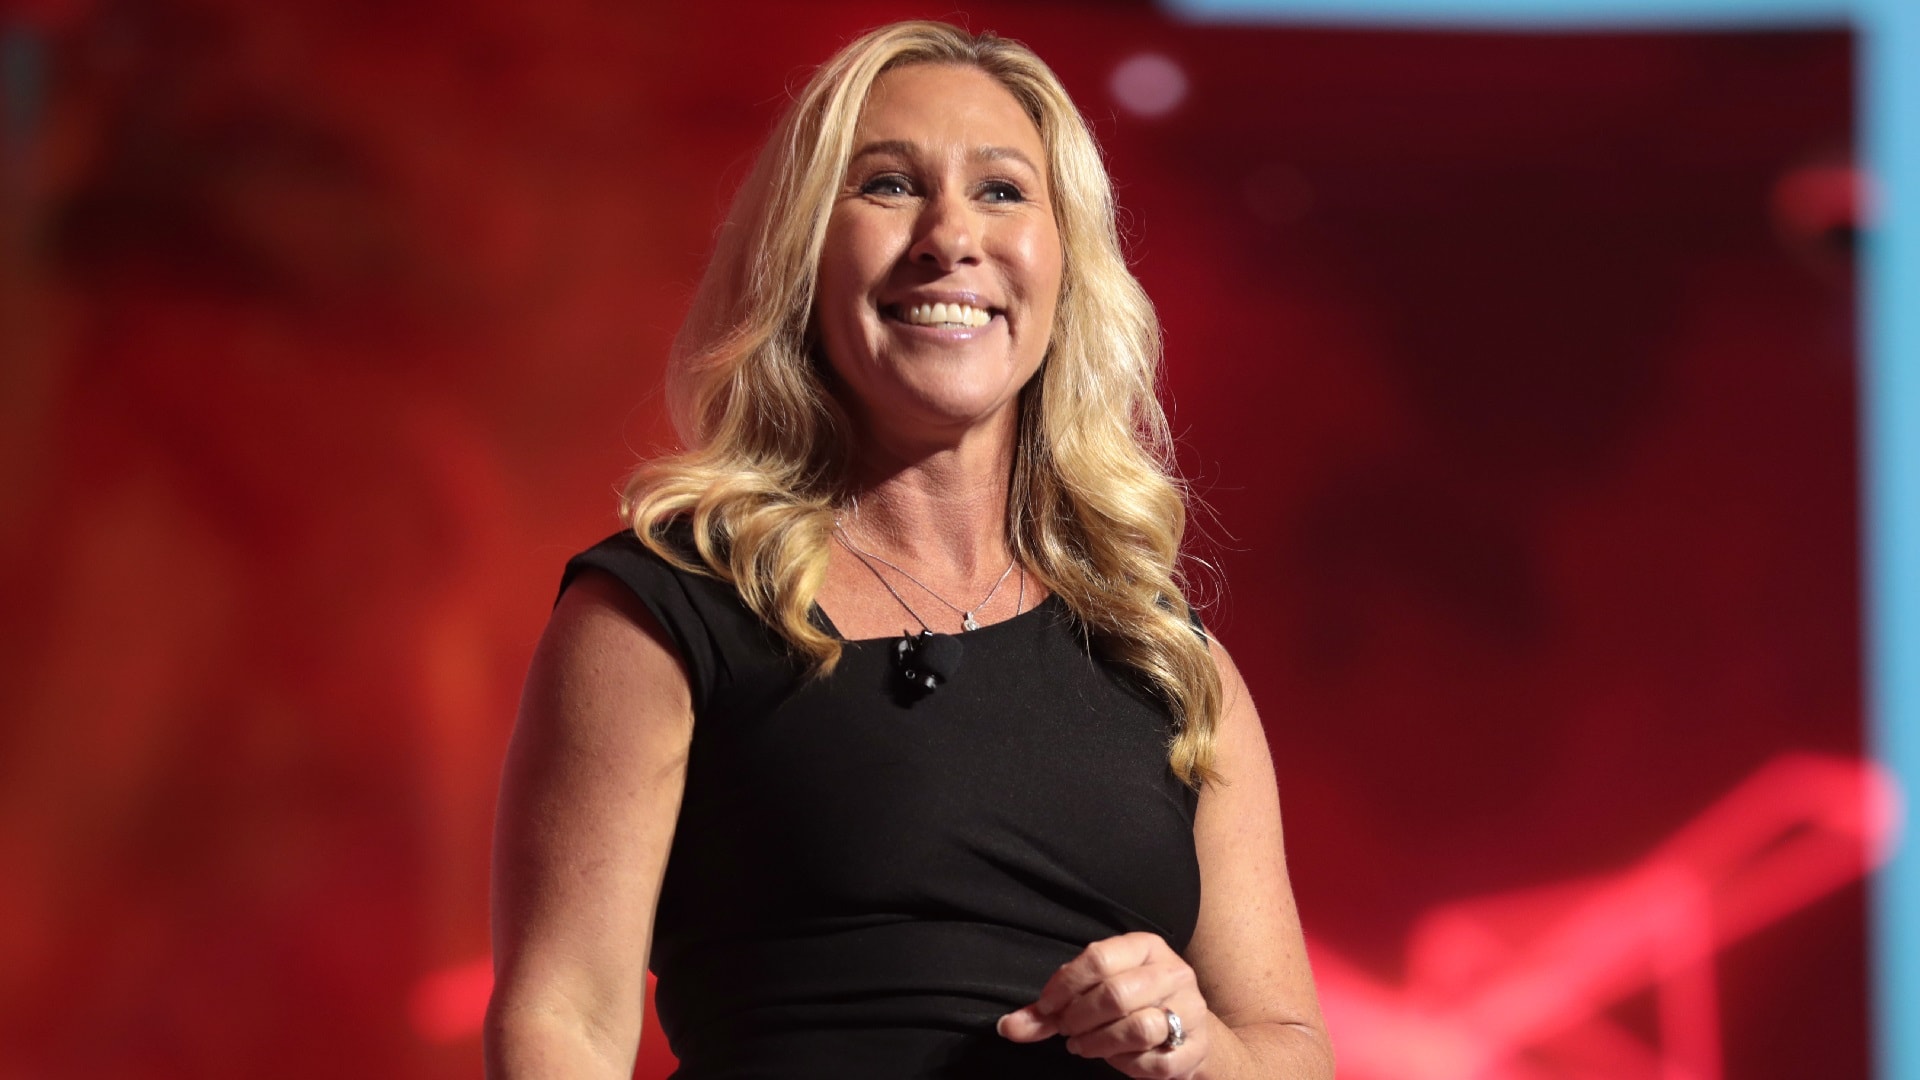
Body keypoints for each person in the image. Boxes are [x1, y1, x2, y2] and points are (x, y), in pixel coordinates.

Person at [485, 20, 1333, 1080]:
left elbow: (1290, 1050)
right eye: (887, 186)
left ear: (1067, 267)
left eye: (1003, 191)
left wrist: (1190, 1040)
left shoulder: (1168, 664)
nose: (950, 236)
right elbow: (562, 1023)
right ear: (800, 255)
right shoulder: (660, 615)